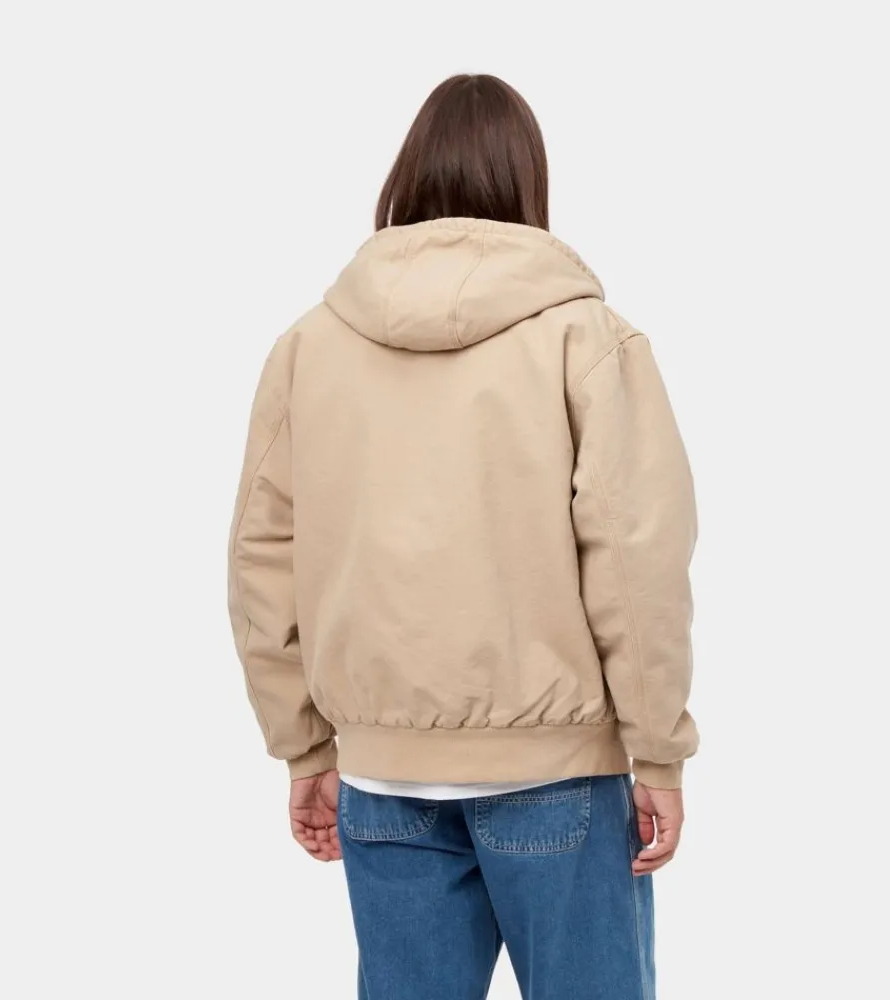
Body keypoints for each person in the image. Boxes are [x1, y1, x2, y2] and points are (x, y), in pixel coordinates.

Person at [228, 73, 699, 1000]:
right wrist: (659, 749)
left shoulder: (309, 348)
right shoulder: (586, 340)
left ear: (406, 177)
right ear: (528, 180)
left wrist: (305, 746)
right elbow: (634, 555)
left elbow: (262, 556)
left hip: (384, 778)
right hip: (559, 776)